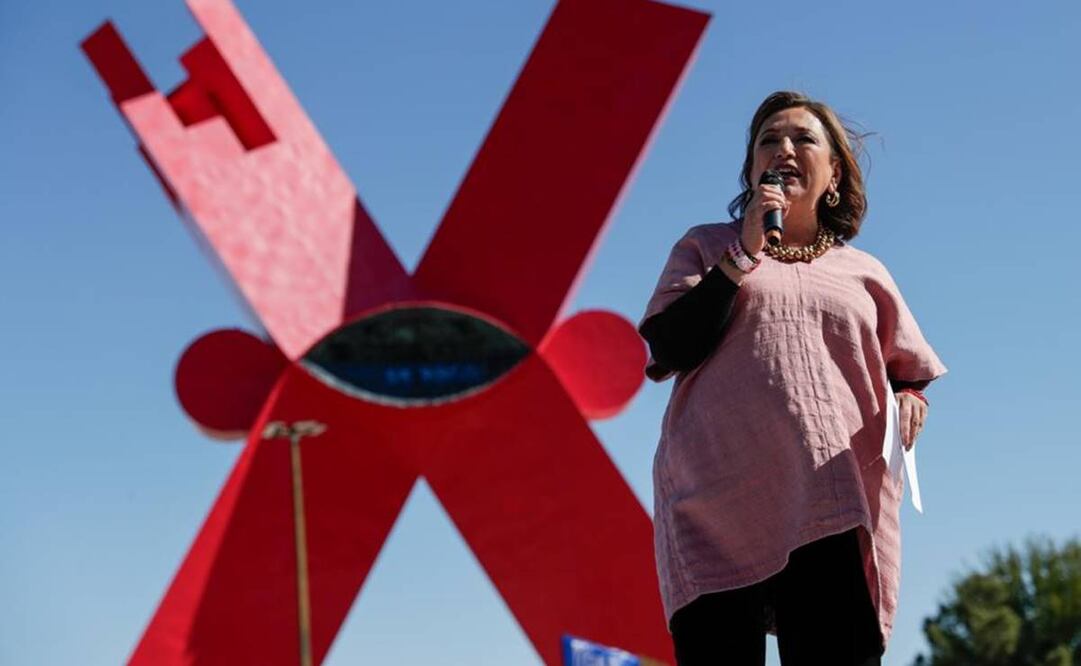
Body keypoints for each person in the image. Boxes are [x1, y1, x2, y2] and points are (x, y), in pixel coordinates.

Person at [638, 91, 947, 665]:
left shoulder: (865, 272)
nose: (783, 148)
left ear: (833, 174)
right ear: (752, 172)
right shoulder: (707, 246)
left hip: (830, 500)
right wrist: (741, 256)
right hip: (716, 504)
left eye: (803, 139)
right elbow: (669, 344)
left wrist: (909, 398)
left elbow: (907, 368)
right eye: (768, 141)